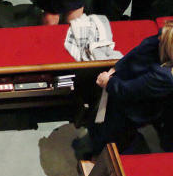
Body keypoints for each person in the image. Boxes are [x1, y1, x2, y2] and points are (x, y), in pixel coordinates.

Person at [73, 20, 173, 159]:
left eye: (163, 37)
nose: (159, 36)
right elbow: (136, 53)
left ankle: (101, 159)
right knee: (100, 122)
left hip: (132, 107)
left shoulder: (165, 75)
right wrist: (115, 69)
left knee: (112, 134)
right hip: (121, 85)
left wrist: (108, 82)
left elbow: (130, 90)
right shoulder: (160, 39)